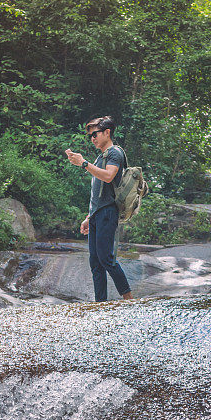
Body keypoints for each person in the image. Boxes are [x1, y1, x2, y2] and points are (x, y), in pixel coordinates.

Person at [65, 116, 133, 302]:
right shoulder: (100, 156)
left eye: (95, 134)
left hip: (108, 212)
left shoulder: (114, 153)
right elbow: (98, 192)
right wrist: (89, 217)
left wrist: (84, 163)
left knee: (106, 259)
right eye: (90, 136)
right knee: (95, 262)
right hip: (97, 214)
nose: (92, 138)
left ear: (107, 132)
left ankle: (129, 298)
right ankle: (100, 303)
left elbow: (109, 177)